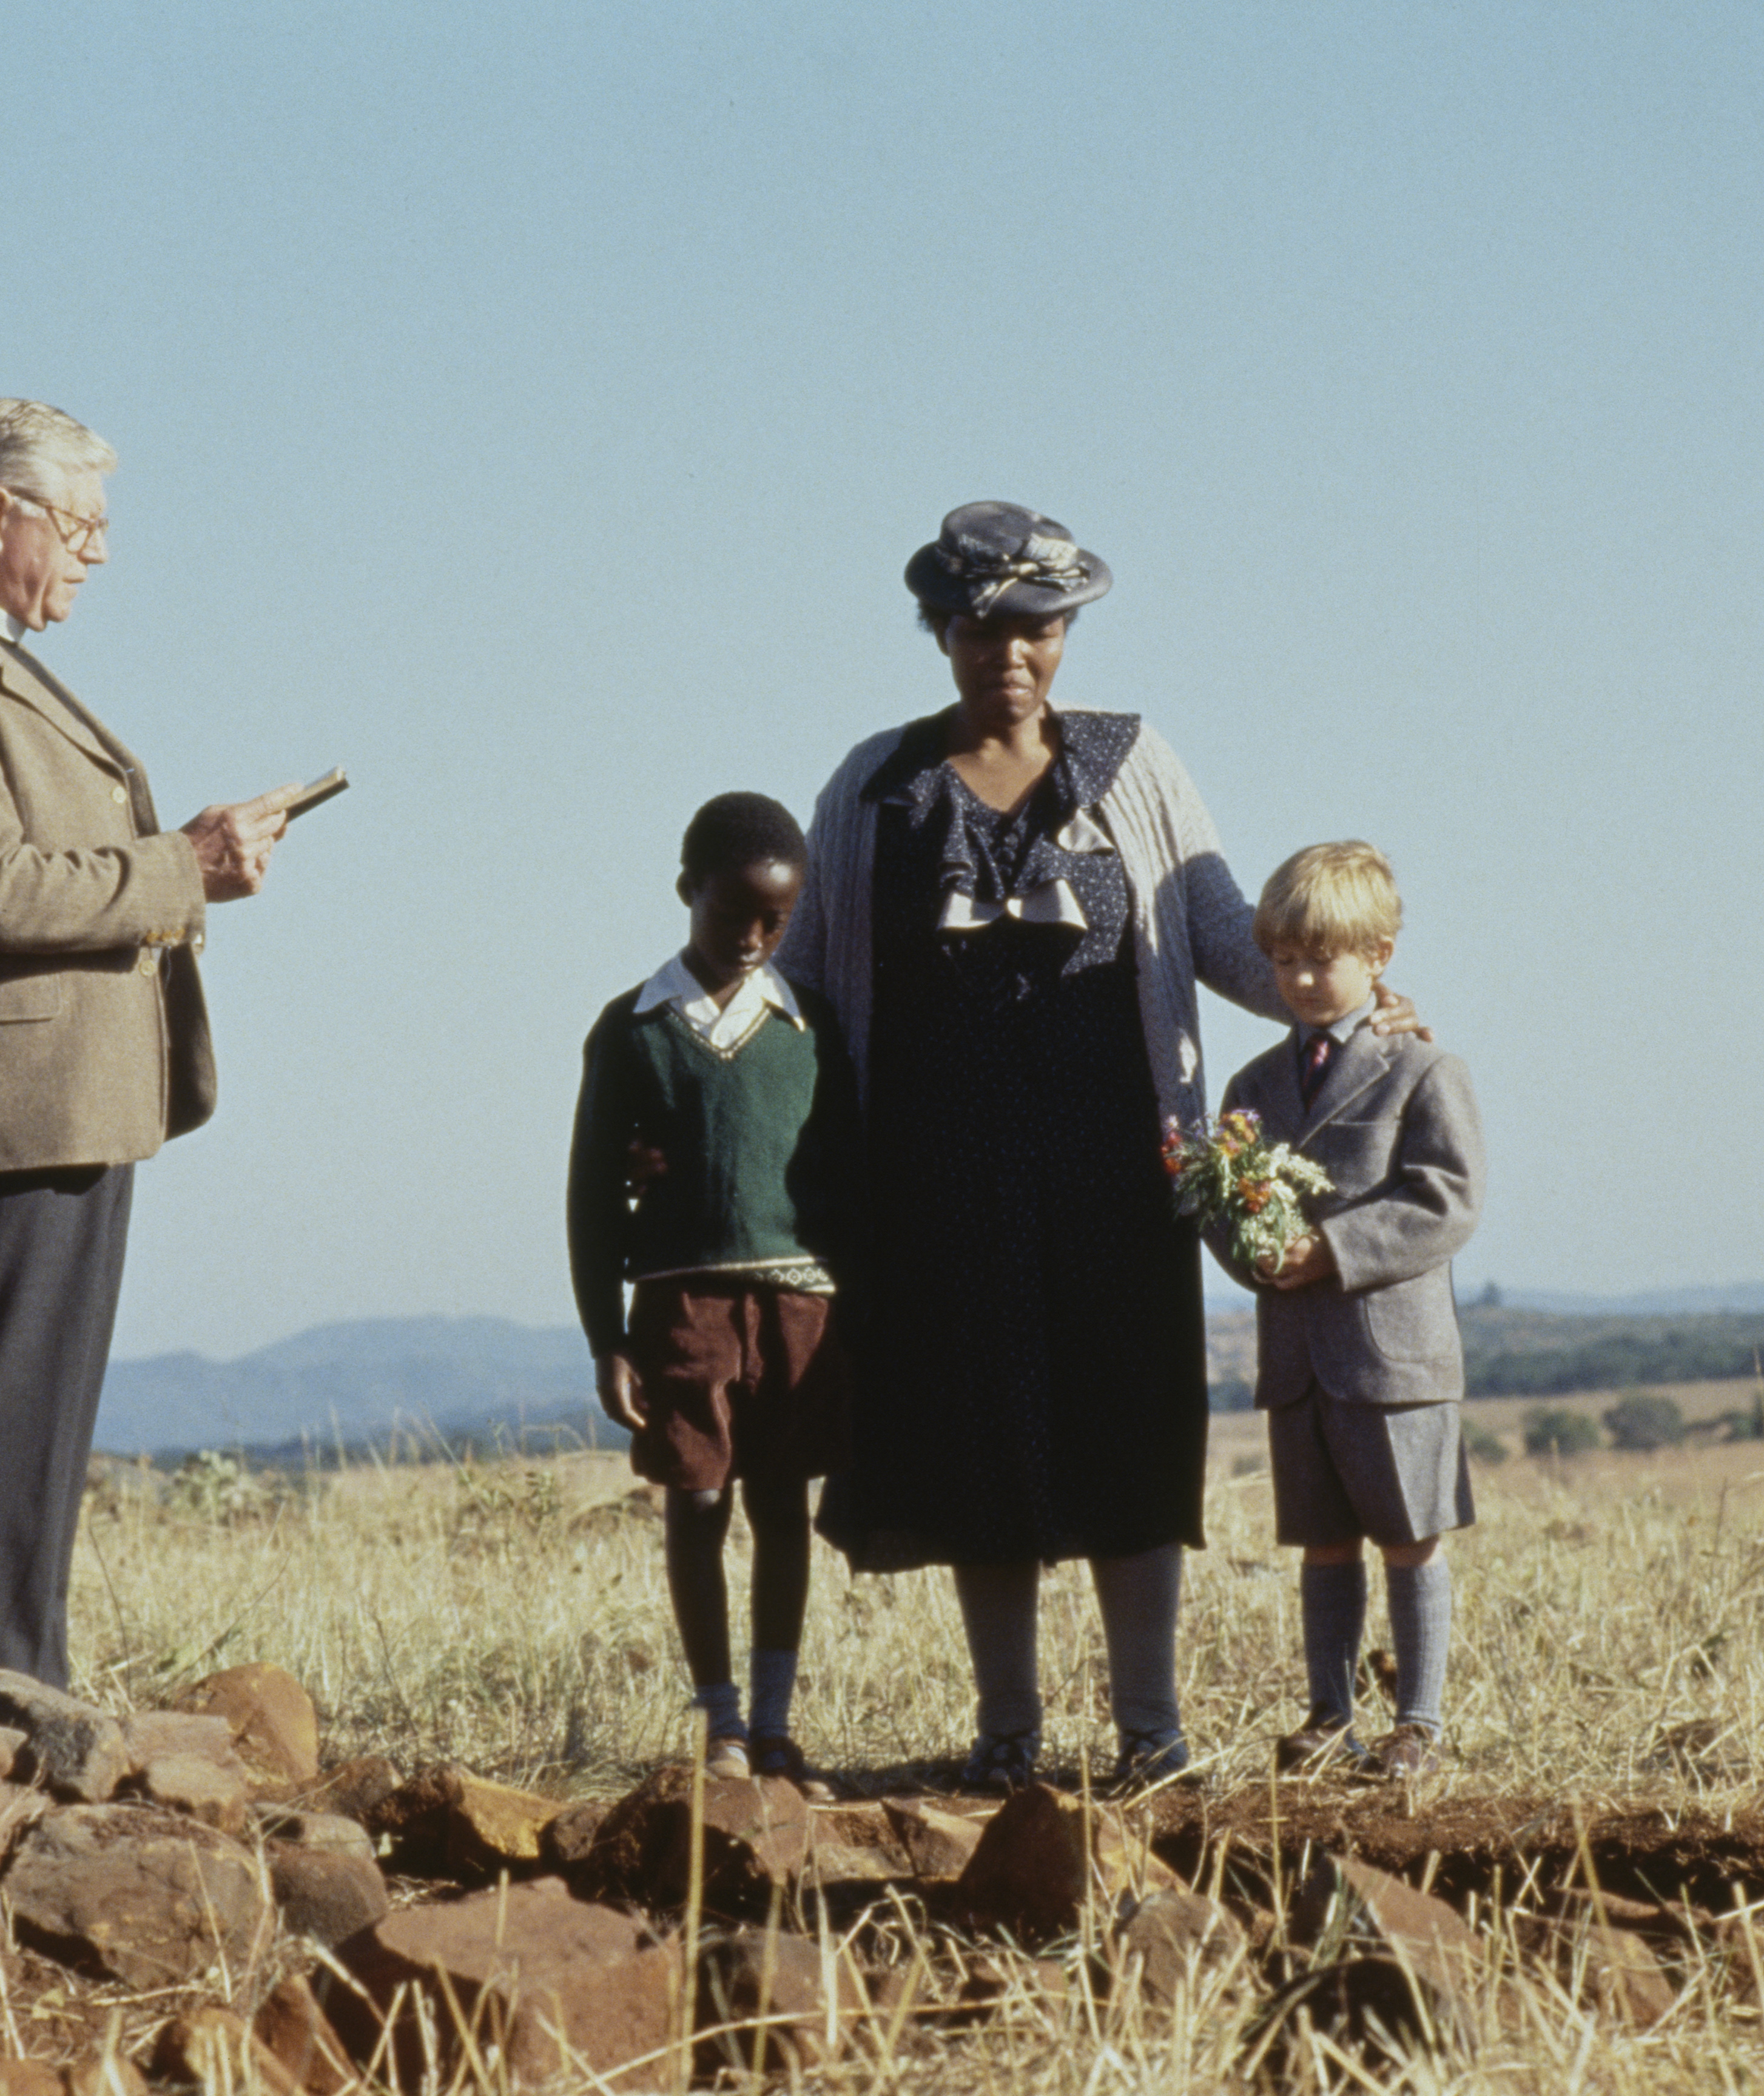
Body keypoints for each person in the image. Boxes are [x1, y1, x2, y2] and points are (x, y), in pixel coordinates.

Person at [778, 502, 1417, 1791]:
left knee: (1129, 1441)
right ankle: (1006, 1738)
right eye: (978, 626)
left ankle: (1151, 1735)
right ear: (940, 633)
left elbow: (1226, 934)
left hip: (1124, 1171)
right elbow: (811, 982)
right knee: (981, 1446)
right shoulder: (873, 786)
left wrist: (1358, 1002)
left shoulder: (1135, 768)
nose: (1008, 651)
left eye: (1037, 626)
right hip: (938, 1182)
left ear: (1066, 632)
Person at [0, 398, 311, 1687]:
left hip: (61, 1091)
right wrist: (184, 871)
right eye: (84, 524)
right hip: (9, 1098)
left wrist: (182, 865)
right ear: (0, 513)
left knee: (27, 1421)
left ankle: (8, 1687)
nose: (98, 553)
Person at [566, 794, 858, 1798]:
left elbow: (845, 1171)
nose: (750, 937)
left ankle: (775, 1729)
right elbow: (592, 1194)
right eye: (730, 912)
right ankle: (721, 1725)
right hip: (680, 1305)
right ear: (686, 890)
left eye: (773, 921)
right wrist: (607, 1335)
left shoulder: (810, 1028)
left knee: (783, 1507)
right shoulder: (634, 1030)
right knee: (695, 1500)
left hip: (799, 1308)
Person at [1203, 843, 1482, 1782]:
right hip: (1297, 1358)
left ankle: (1422, 1724)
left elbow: (1447, 1200)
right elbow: (1221, 1201)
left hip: (1393, 1360)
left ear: (1380, 955)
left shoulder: (1423, 1071)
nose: (1302, 978)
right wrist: (1253, 1256)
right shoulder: (1251, 1088)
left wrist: (1329, 1251)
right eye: (1283, 961)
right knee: (1322, 1543)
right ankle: (1329, 1717)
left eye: (1322, 958)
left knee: (1410, 1539)